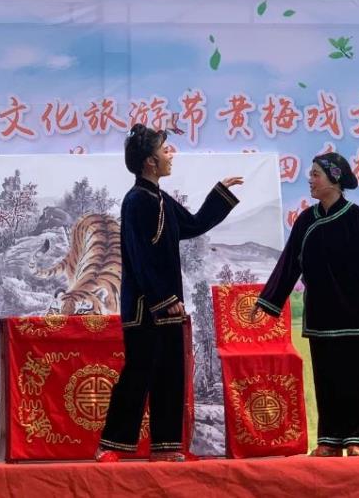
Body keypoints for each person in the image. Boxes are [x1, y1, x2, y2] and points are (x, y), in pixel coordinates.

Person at [252, 152, 359, 457]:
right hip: (321, 317)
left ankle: (357, 439)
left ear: (335, 179)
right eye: (311, 174)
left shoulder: (358, 219)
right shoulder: (306, 221)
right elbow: (289, 265)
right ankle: (329, 438)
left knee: (358, 380)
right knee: (327, 381)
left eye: (316, 174)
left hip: (355, 315)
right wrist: (268, 300)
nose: (310, 180)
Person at [96, 123, 243, 463]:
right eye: (164, 151)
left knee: (169, 375)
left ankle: (166, 446)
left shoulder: (160, 198)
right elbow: (139, 255)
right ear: (150, 162)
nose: (170, 155)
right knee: (138, 374)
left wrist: (220, 192)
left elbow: (193, 224)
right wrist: (163, 298)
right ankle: (112, 445)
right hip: (146, 306)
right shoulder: (136, 201)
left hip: (168, 305)